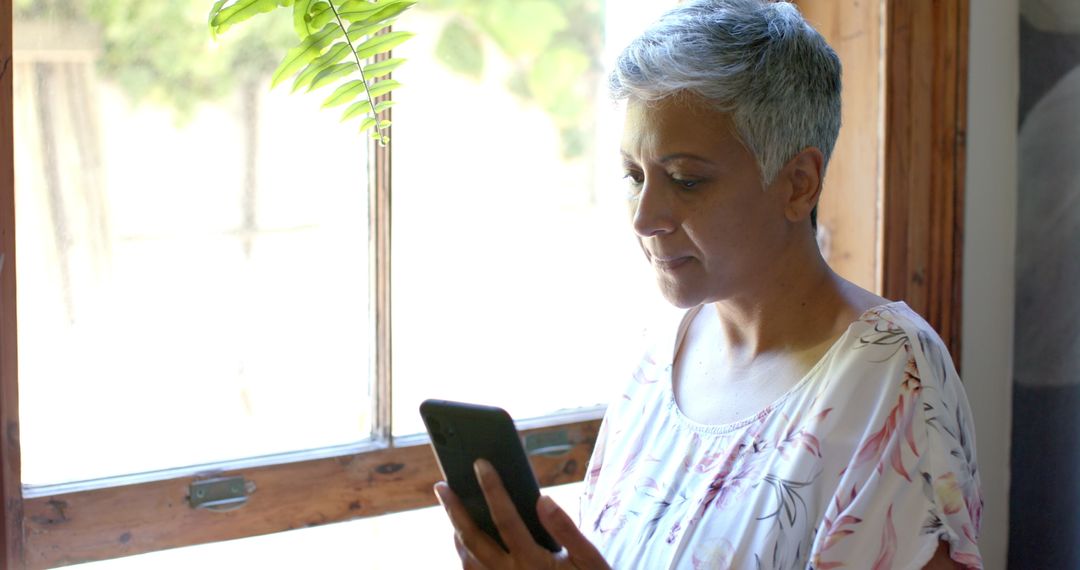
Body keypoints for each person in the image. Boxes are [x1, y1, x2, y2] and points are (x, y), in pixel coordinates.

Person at [433, 0, 983, 568]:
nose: (645, 217)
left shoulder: (890, 372)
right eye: (633, 176)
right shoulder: (658, 358)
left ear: (798, 184)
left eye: (685, 180)